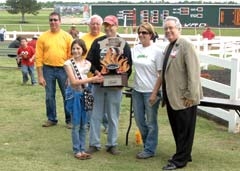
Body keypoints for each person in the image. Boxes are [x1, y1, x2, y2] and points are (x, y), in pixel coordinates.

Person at [86, 15, 132, 155]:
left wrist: (123, 81)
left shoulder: (123, 44)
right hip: (99, 85)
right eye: (106, 25)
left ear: (116, 26)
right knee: (95, 114)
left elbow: (129, 65)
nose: (108, 28)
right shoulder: (98, 42)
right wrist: (96, 73)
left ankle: (112, 144)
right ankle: (94, 143)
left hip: (115, 86)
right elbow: (89, 61)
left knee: (113, 116)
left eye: (111, 25)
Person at [161, 16, 203, 170]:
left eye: (171, 27)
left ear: (179, 29)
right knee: (178, 129)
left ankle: (180, 160)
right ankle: (184, 153)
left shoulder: (186, 45)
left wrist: (190, 96)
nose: (168, 31)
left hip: (184, 97)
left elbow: (193, 73)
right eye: (166, 28)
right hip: (172, 97)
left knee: (185, 130)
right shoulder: (169, 47)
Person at [64, 39, 103, 160]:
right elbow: (74, 81)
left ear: (83, 50)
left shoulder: (88, 64)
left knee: (84, 123)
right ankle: (77, 149)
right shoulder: (68, 64)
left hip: (85, 93)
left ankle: (82, 148)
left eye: (78, 48)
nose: (75, 51)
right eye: (74, 48)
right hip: (74, 94)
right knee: (76, 123)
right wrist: (92, 80)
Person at [36, 12, 73, 128]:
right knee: (49, 95)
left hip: (64, 69)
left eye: (55, 20)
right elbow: (38, 58)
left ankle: (69, 120)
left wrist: (70, 75)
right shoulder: (42, 37)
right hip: (48, 70)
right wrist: (40, 76)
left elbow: (71, 57)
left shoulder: (67, 37)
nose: (53, 22)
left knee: (67, 95)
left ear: (60, 21)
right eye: (51, 20)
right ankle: (51, 118)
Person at [132, 22, 164, 159]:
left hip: (151, 91)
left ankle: (150, 149)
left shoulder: (157, 51)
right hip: (137, 90)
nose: (141, 35)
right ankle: (147, 144)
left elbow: (161, 74)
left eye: (144, 33)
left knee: (151, 121)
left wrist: (155, 93)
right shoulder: (135, 49)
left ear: (151, 34)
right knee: (139, 120)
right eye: (139, 32)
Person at [80, 14, 108, 132]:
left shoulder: (106, 38)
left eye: (97, 24)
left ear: (101, 25)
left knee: (105, 104)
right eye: (93, 24)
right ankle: (89, 124)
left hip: (103, 77)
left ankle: (106, 125)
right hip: (88, 77)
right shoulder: (83, 39)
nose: (95, 26)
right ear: (89, 25)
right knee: (89, 102)